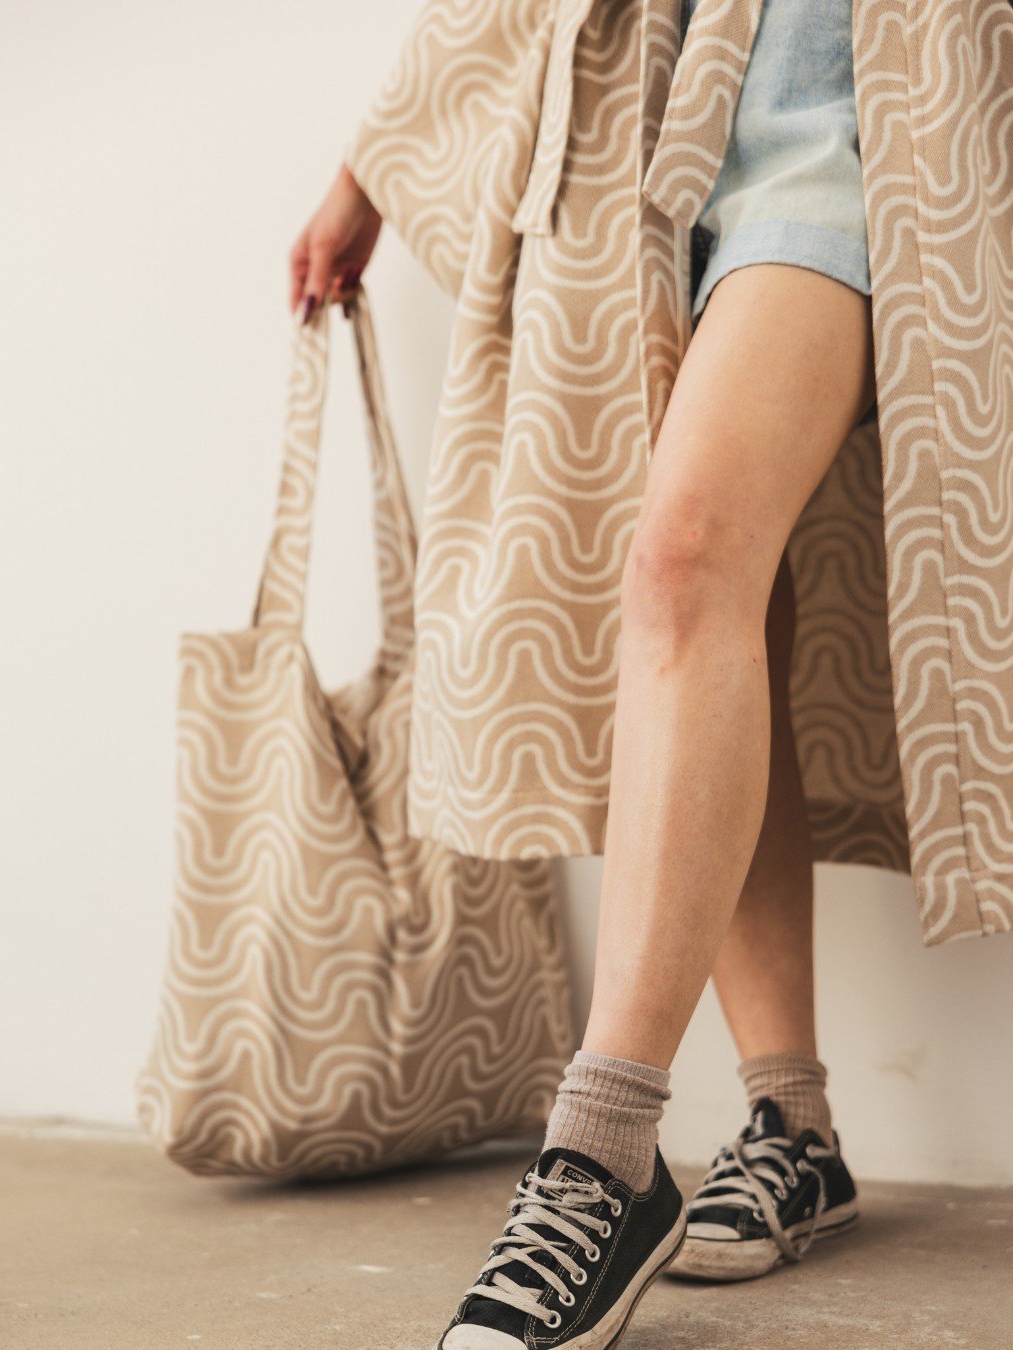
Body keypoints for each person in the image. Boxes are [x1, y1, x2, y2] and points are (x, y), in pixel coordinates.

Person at [292, 0, 873, 1344]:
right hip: (647, 113)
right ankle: (795, 1119)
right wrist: (368, 164)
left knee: (680, 558)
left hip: (854, 107)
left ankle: (602, 1155)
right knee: (732, 584)